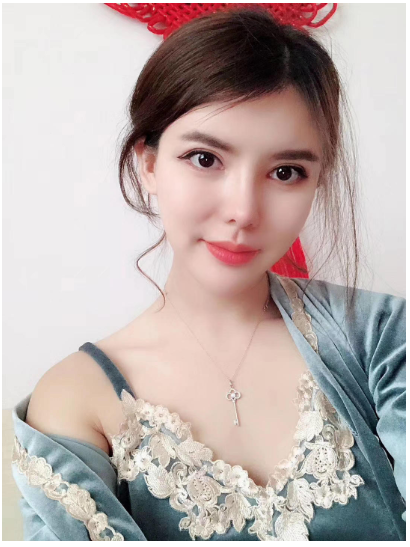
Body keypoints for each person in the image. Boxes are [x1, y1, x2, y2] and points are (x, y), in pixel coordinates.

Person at [11, 7, 405, 541]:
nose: (243, 211)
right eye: (204, 159)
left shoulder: (381, 337)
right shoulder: (76, 398)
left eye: (286, 172)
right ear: (149, 163)